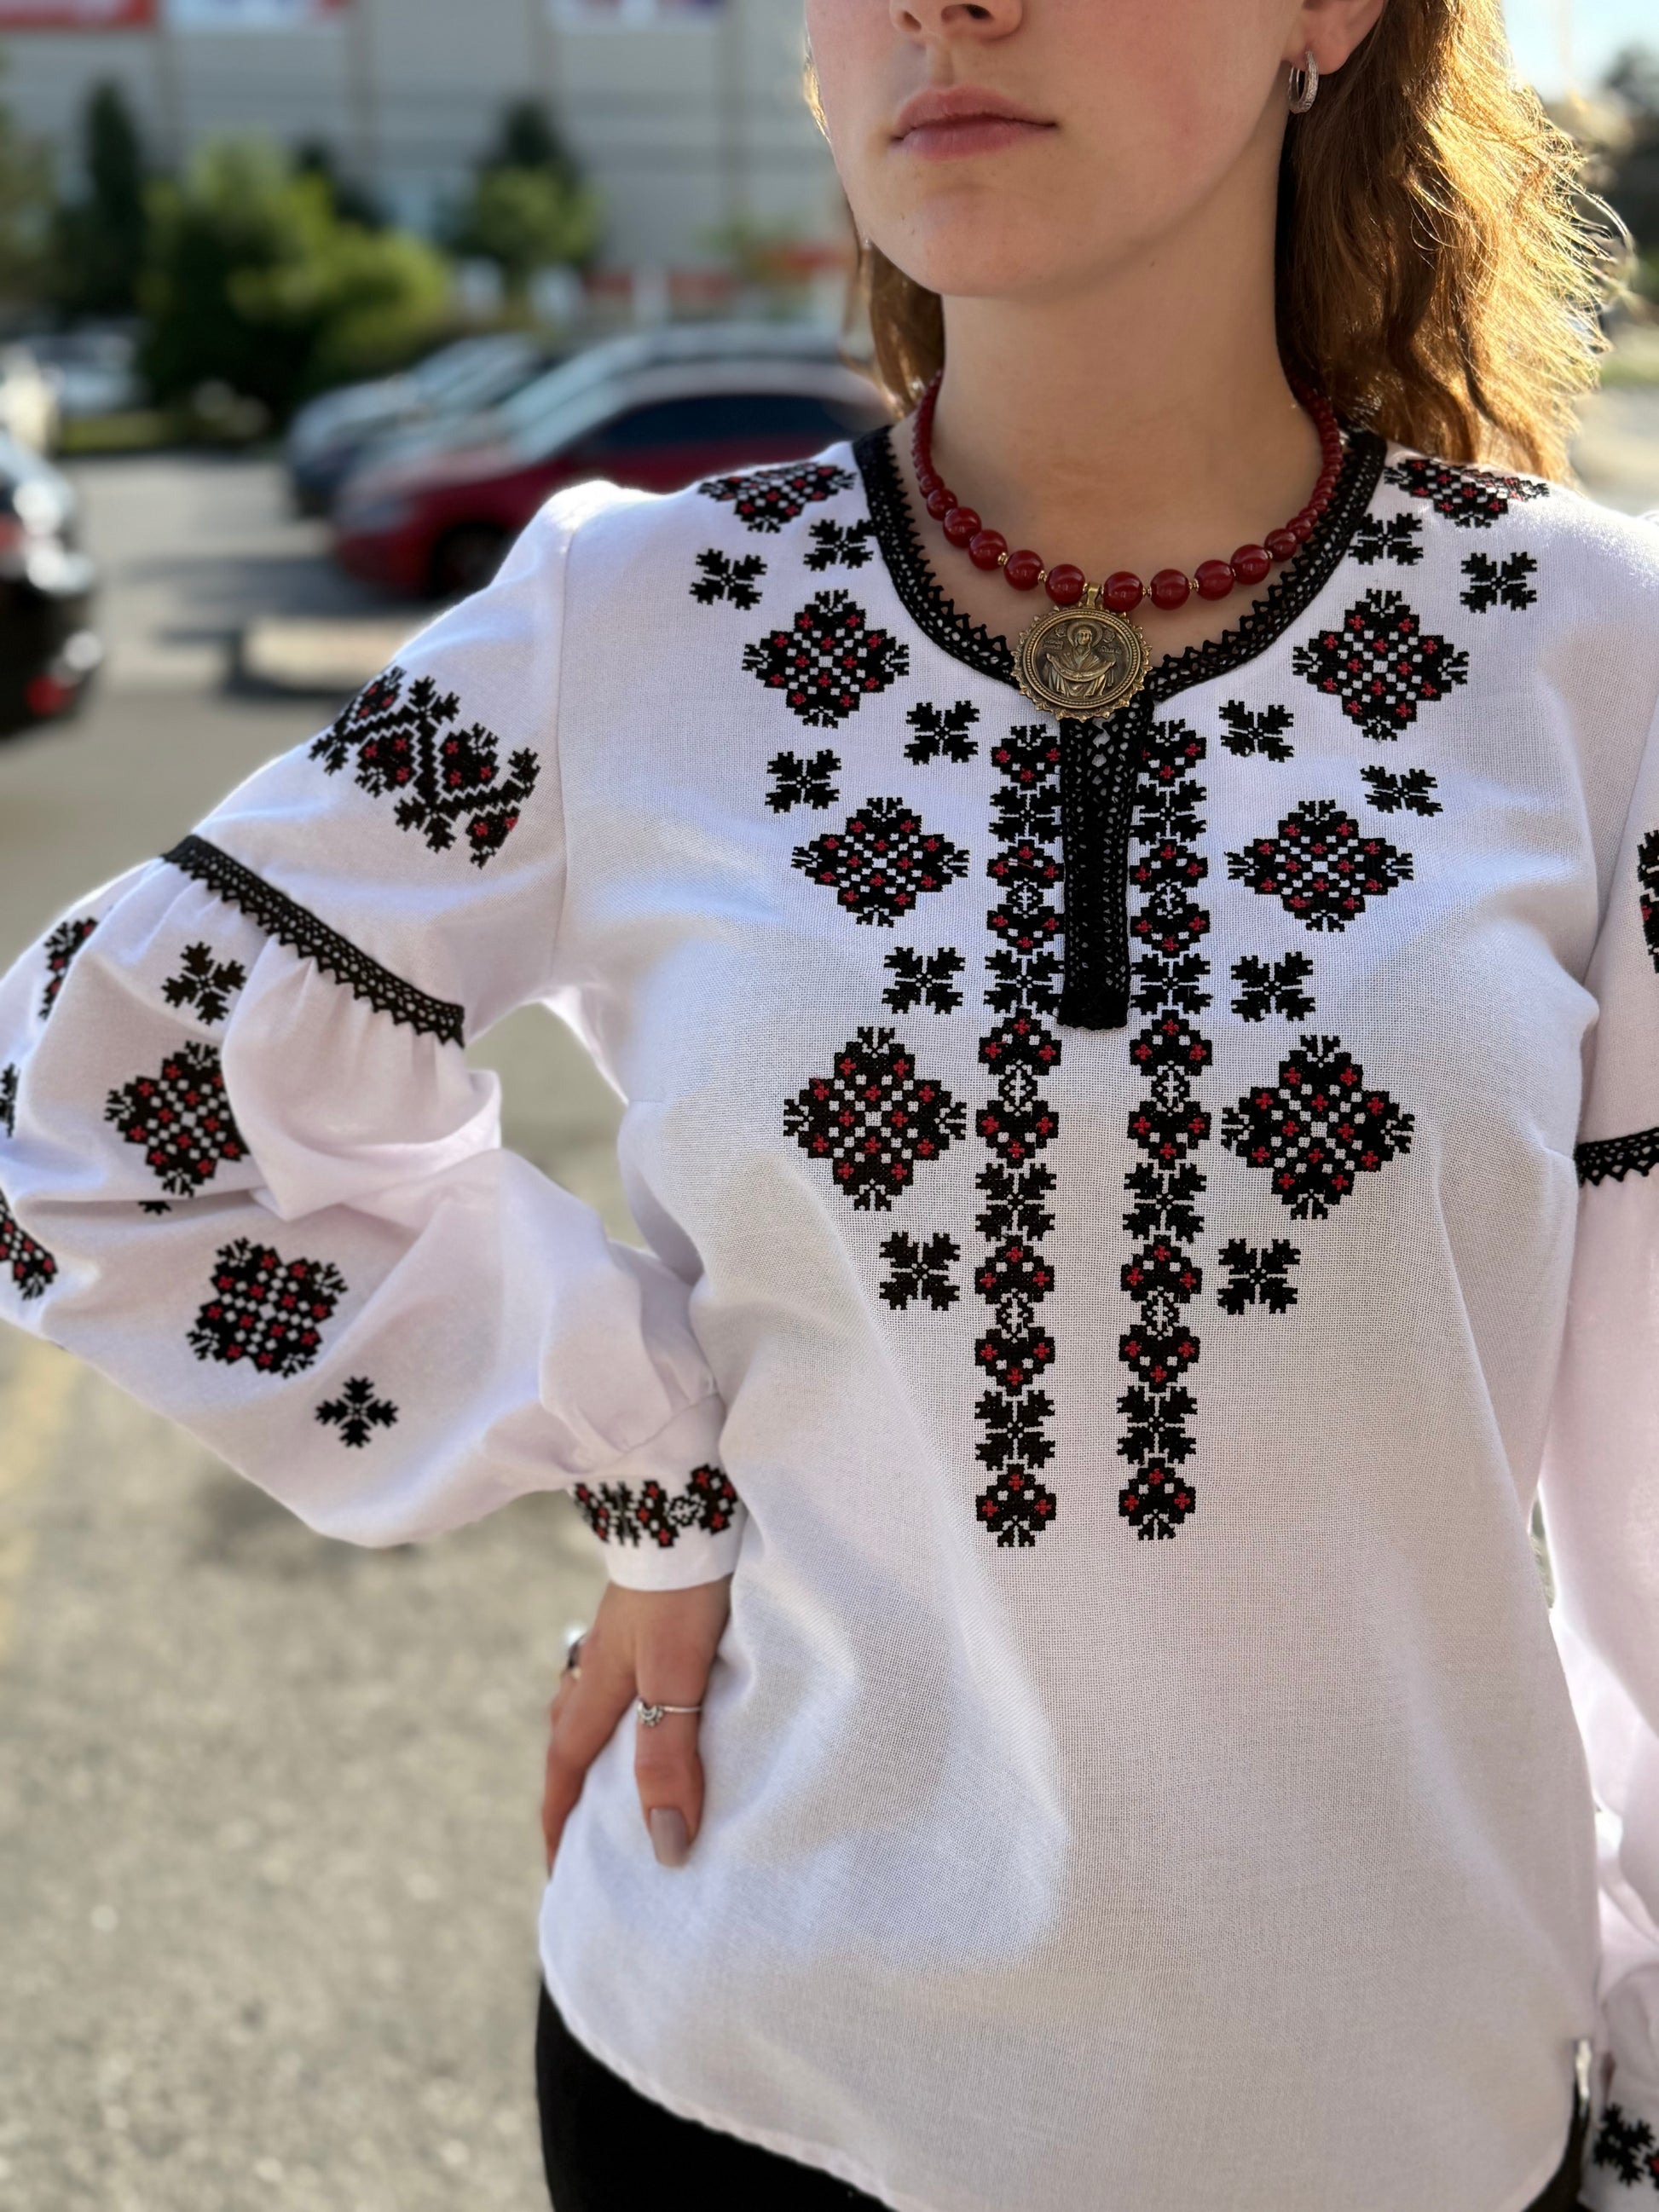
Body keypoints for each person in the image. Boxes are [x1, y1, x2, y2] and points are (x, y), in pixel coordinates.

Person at [2, 0, 1656, 2205]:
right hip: (744, 2079)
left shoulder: (1592, 659)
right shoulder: (634, 616)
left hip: (1390, 2113)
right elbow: (97, 1102)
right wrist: (644, 1459)